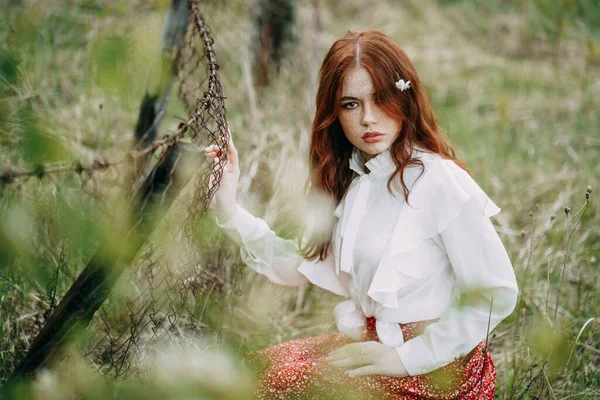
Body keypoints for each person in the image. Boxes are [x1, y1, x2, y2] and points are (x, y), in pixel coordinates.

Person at [204, 29, 519, 400]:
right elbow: (300, 266)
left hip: (437, 370)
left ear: (405, 98)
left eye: (381, 98)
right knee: (244, 376)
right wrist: (229, 209)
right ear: (334, 114)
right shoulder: (355, 179)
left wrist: (406, 358)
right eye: (351, 104)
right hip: (374, 349)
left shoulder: (440, 181)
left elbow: (495, 292)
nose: (369, 118)